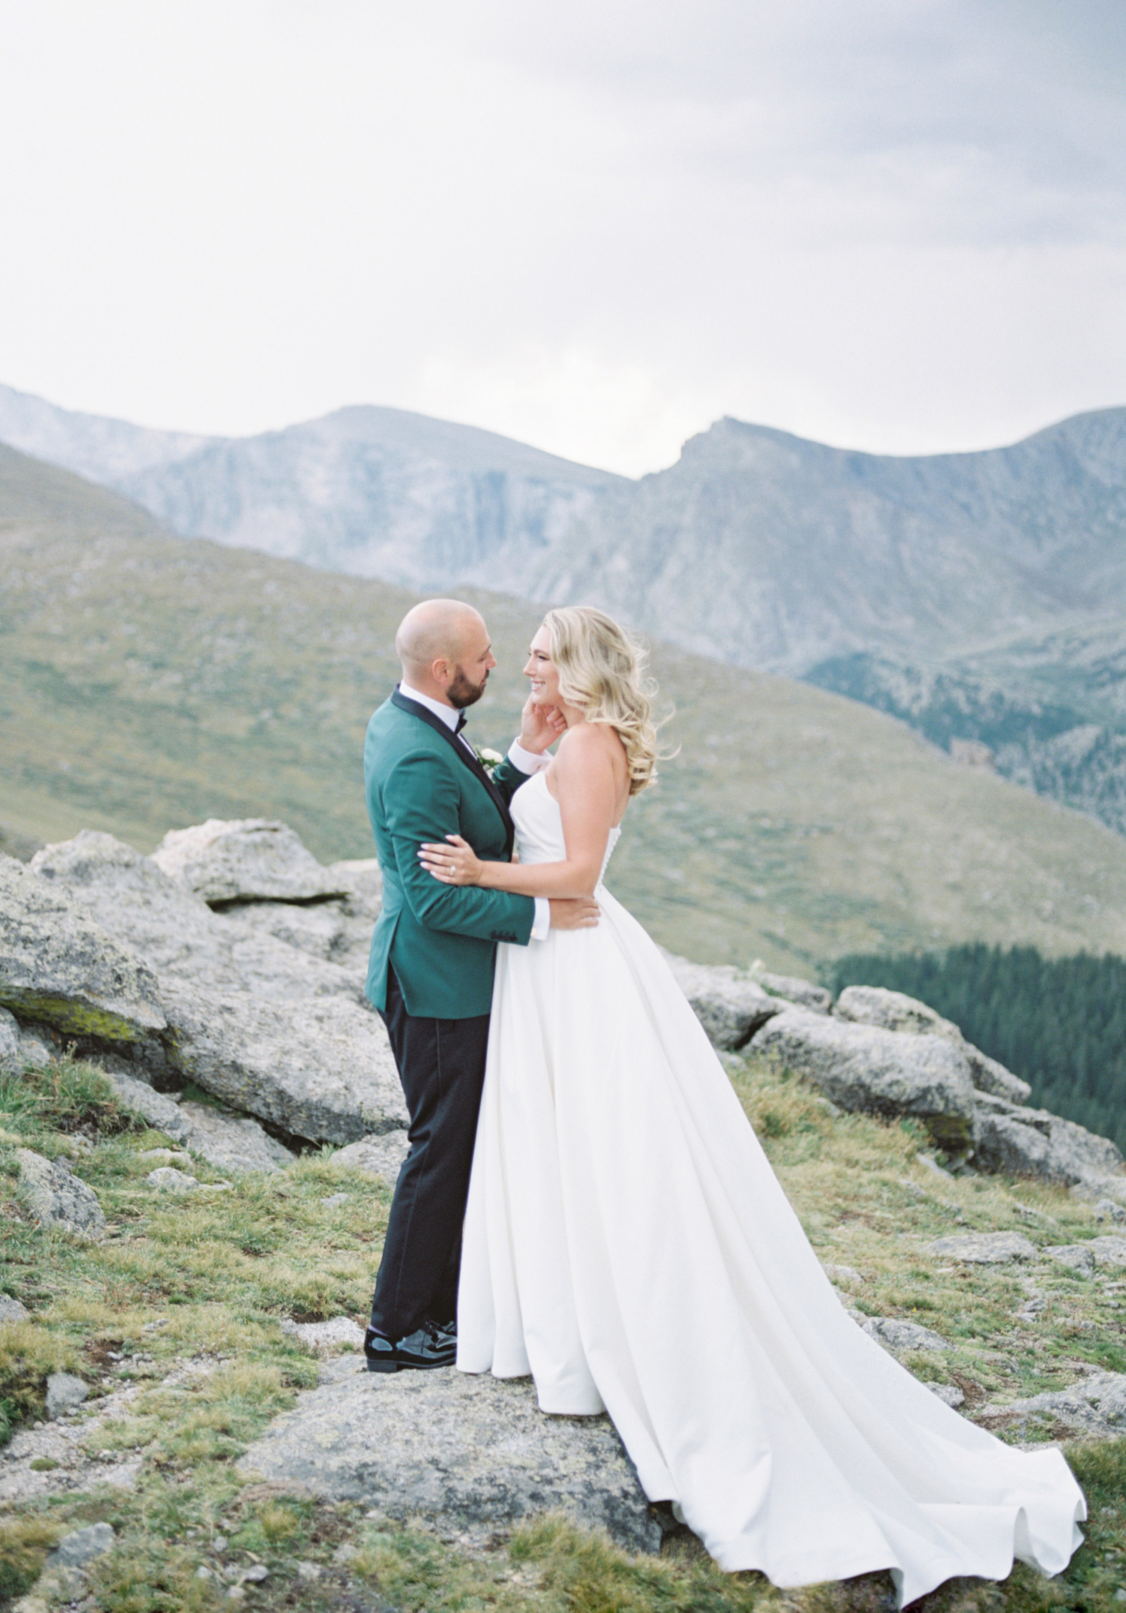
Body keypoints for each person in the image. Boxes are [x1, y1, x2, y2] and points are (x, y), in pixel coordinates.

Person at [417, 605, 1086, 1606]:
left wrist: (482, 870)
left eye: (544, 656)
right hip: (550, 965)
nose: (526, 664)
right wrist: (524, 750)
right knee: (562, 1150)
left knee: (619, 1158)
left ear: (582, 668)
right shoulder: (567, 736)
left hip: (584, 966)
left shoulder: (595, 742)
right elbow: (530, 809)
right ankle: (566, 1332)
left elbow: (581, 874)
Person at [361, 598, 598, 1374]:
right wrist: (543, 916)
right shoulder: (416, 752)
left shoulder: (416, 724)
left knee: (458, 1145)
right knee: (440, 1149)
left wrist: (521, 758)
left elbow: (473, 822)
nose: (497, 665)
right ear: (443, 670)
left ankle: (440, 1310)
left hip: (453, 978)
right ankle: (397, 1327)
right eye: (484, 656)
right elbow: (435, 896)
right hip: (435, 984)